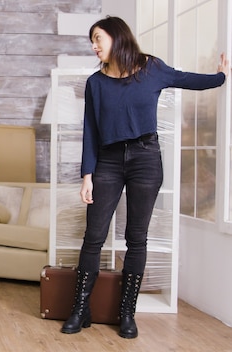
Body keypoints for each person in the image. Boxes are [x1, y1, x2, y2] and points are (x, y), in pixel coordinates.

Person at [60, 16, 229, 339]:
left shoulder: (151, 68)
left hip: (145, 159)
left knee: (137, 237)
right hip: (107, 161)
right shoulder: (96, 83)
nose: (94, 46)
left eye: (98, 38)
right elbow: (90, 132)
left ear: (116, 36)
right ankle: (80, 309)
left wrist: (221, 76)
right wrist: (87, 175)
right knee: (94, 236)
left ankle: (127, 314)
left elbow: (188, 79)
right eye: (92, 41)